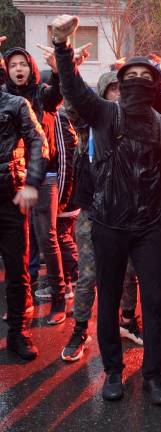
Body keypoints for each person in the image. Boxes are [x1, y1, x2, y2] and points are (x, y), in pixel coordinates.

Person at [52, 14, 161, 405]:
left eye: (148, 77)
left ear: (155, 85)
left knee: (156, 301)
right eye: (133, 76)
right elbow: (74, 90)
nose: (139, 83)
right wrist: (63, 48)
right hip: (108, 223)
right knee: (109, 298)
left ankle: (153, 376)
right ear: (122, 81)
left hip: (149, 226)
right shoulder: (103, 113)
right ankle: (113, 370)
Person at [60, 70, 143, 362]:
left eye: (123, 89)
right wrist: (64, 68)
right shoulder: (88, 123)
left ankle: (128, 319)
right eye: (113, 89)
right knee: (89, 275)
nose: (119, 94)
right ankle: (80, 328)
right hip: (93, 211)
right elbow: (71, 103)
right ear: (103, 92)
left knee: (129, 273)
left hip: (127, 212)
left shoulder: (136, 122)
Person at [3, 44, 68, 325]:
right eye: (13, 64)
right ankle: (24, 300)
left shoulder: (41, 95)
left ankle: (58, 299)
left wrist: (58, 70)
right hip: (13, 178)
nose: (19, 69)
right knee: (19, 243)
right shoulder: (5, 98)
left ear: (31, 67)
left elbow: (57, 95)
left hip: (43, 177)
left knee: (46, 237)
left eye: (23, 64)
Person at [0, 37, 47, 361]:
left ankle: (19, 332)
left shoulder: (15, 105)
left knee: (17, 269)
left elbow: (38, 142)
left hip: (9, 197)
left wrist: (31, 182)